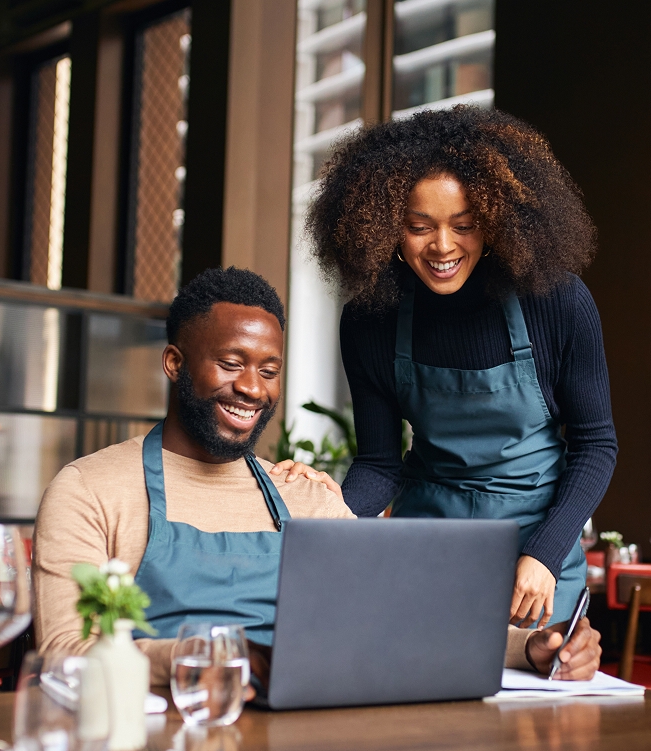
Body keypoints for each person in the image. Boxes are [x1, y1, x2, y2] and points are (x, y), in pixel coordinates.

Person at [34, 266, 602, 691]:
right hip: (155, 739)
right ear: (175, 363)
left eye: (269, 370)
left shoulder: (301, 495)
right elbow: (61, 654)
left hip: (300, 747)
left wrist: (533, 648)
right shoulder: (91, 489)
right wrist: (204, 659)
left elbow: (401, 624)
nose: (252, 388)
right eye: (231, 364)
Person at [274, 106, 617, 634]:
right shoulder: (371, 321)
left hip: (536, 548)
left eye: (465, 225)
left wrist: (546, 555)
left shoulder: (557, 302)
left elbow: (596, 445)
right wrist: (328, 515)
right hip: (426, 542)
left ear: (497, 222)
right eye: (418, 227)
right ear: (387, 226)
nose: (442, 247)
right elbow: (380, 465)